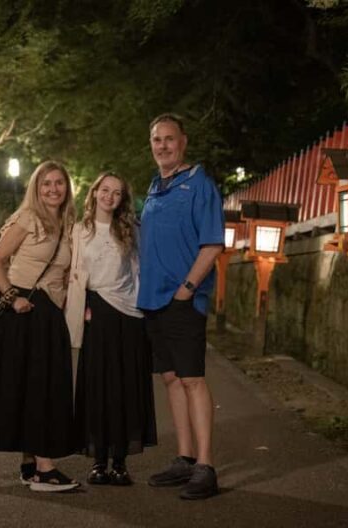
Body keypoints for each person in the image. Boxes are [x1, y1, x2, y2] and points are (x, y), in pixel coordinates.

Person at [0, 160, 80, 492]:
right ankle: (46, 470)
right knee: (40, 387)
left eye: (59, 183)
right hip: (24, 312)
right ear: (36, 187)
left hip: (47, 312)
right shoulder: (28, 218)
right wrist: (12, 296)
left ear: (67, 187)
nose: (53, 189)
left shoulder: (66, 222)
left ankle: (30, 465)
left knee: (34, 386)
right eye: (46, 183)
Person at [138, 114, 224, 500]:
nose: (162, 145)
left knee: (192, 379)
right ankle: (184, 458)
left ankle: (206, 466)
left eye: (169, 139)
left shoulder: (199, 185)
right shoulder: (156, 187)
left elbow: (212, 243)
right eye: (157, 140)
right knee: (171, 378)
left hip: (182, 299)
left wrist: (188, 289)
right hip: (154, 301)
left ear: (183, 142)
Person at [68, 171, 157, 487]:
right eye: (104, 190)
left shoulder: (131, 230)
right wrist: (81, 306)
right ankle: (98, 461)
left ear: (122, 199)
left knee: (125, 388)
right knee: (98, 387)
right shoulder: (78, 231)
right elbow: (72, 274)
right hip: (96, 312)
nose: (109, 196)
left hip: (129, 315)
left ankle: (120, 462)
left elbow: (141, 272)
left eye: (116, 193)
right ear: (94, 193)